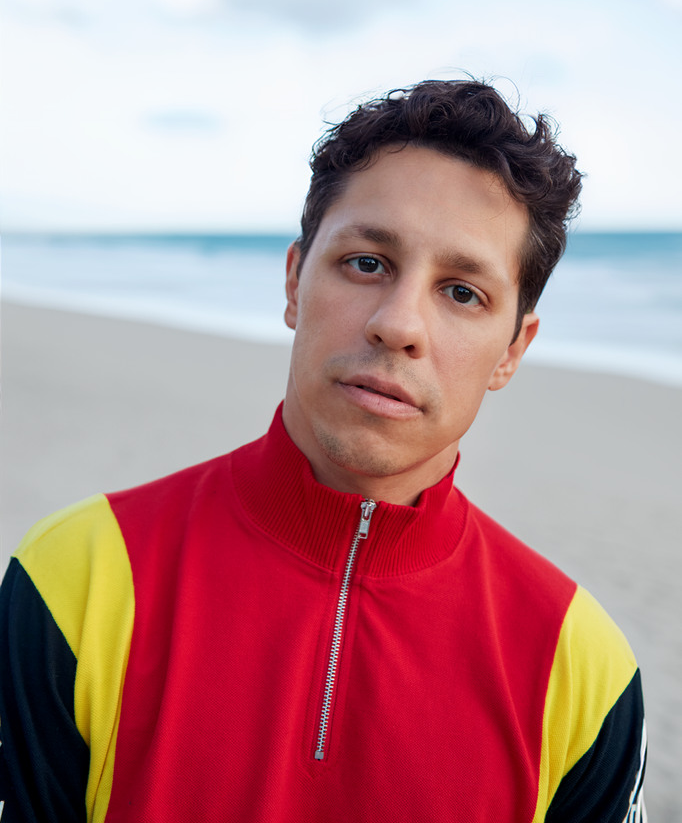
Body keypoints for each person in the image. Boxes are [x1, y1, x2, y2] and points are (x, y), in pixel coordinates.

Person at [0, 79, 646, 822]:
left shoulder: (581, 665)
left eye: (462, 292)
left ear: (512, 350)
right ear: (293, 280)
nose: (398, 325)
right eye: (367, 262)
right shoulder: (75, 577)